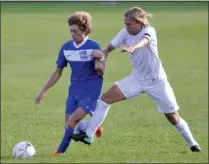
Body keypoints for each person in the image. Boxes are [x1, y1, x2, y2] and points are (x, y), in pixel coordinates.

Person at [71, 7, 202, 152]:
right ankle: (88, 135)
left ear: (140, 23)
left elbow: (145, 41)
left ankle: (193, 144)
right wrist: (100, 58)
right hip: (137, 79)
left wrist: (134, 47)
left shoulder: (149, 31)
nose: (126, 27)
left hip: (157, 82)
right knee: (105, 99)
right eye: (125, 23)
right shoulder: (125, 32)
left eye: (129, 24)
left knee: (172, 117)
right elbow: (108, 49)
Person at [35, 11, 105, 156]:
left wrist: (101, 59)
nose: (73, 34)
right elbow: (57, 72)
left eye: (76, 31)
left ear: (85, 30)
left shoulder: (93, 46)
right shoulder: (66, 48)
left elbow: (101, 72)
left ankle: (59, 152)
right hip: (74, 91)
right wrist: (43, 91)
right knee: (69, 125)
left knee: (71, 123)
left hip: (90, 92)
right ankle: (95, 126)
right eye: (71, 31)